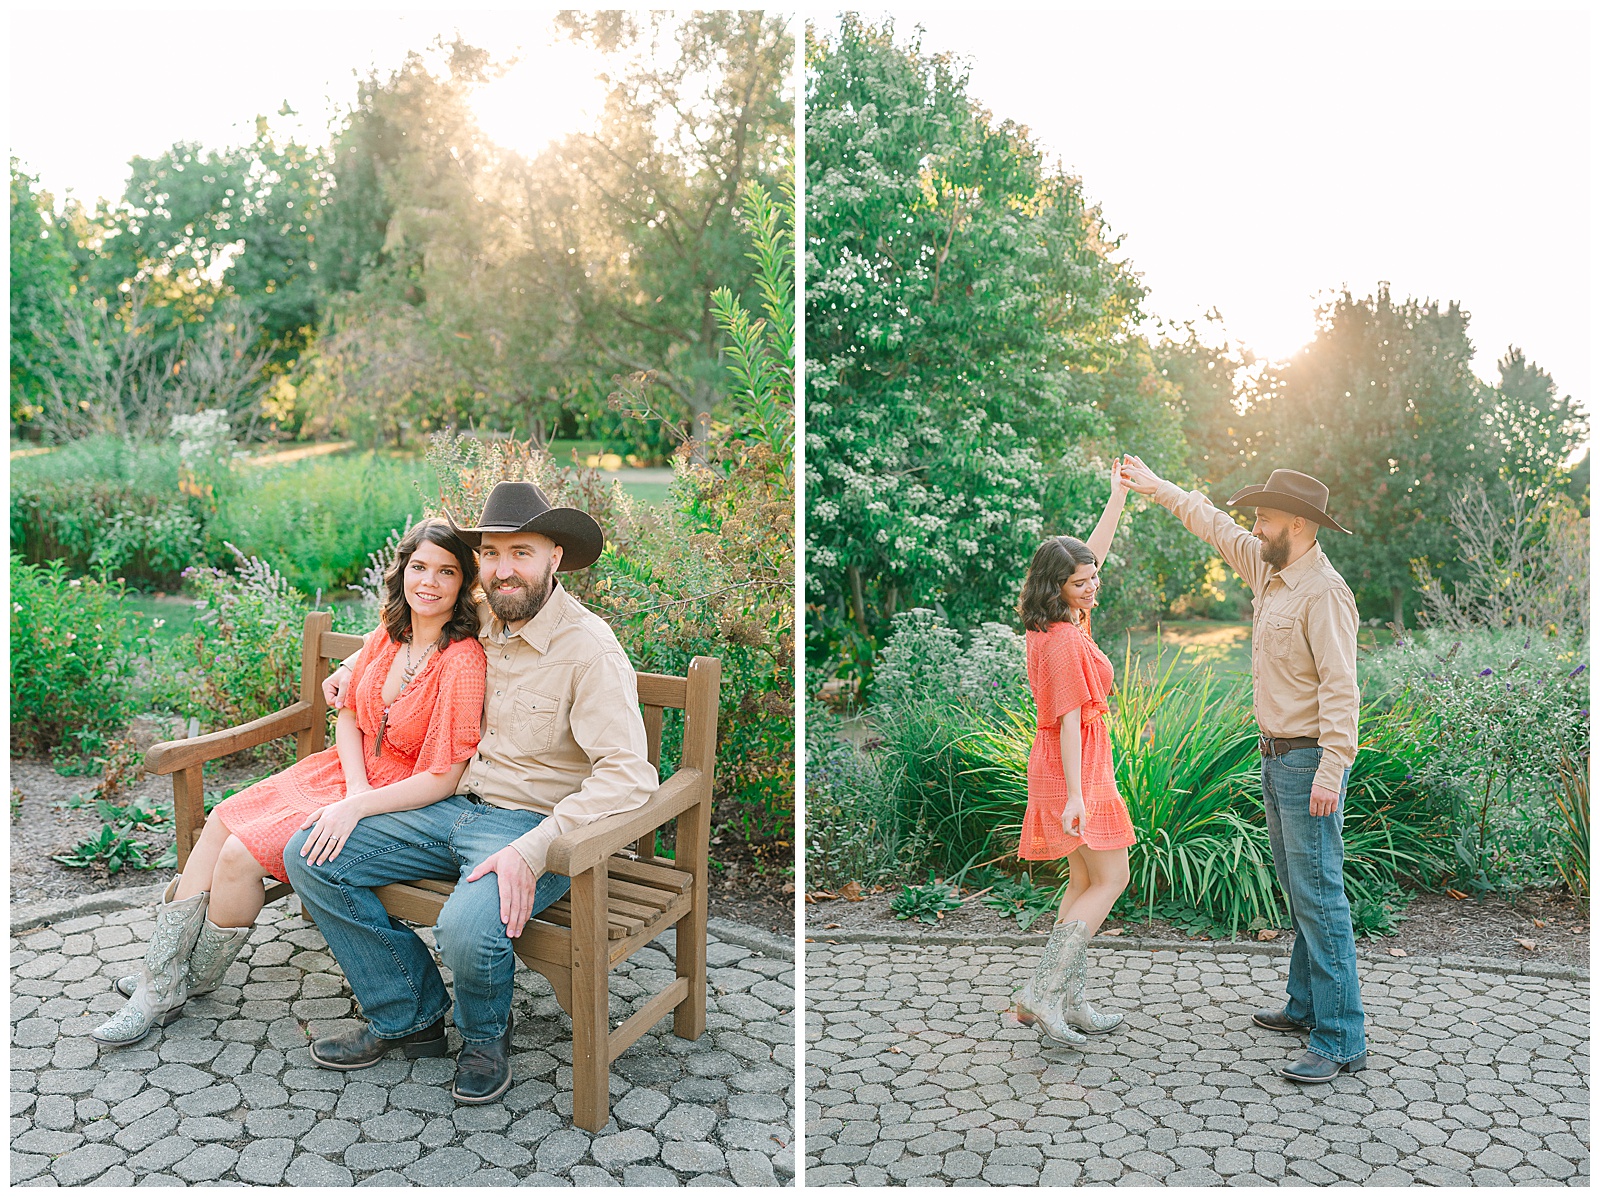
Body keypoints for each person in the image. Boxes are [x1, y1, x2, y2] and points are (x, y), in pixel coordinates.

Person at [285, 480, 658, 1105]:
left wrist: (533, 852)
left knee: (464, 925)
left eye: (521, 553)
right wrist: (349, 669)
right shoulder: (485, 614)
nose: (502, 570)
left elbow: (628, 774)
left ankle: (485, 1037)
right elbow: (402, 631)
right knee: (310, 855)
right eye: (491, 554)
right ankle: (410, 1014)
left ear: (555, 557)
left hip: (530, 828)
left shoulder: (590, 650)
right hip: (449, 807)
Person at [92, 519, 487, 1047]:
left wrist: (362, 801)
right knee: (223, 820)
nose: (429, 582)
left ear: (464, 583)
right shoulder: (390, 634)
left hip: (399, 798)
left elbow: (442, 777)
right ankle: (162, 980)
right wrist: (354, 783)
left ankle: (174, 984)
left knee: (239, 856)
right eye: (419, 567)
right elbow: (349, 714)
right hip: (344, 773)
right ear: (403, 571)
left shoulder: (461, 661)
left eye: (447, 571)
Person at [1120, 455, 1365, 1083]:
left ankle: (1341, 1037)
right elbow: (1211, 523)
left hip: (1309, 760)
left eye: (1265, 518)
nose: (1254, 527)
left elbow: (1341, 689)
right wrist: (1158, 487)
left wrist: (1331, 770)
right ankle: (1304, 1005)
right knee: (1300, 889)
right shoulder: (1268, 567)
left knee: (1320, 895)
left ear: (1300, 525)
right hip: (1275, 756)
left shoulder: (1325, 593)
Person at [1012, 457, 1134, 1048]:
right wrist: (1078, 798)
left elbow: (1093, 555)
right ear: (1055, 586)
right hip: (1073, 767)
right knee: (1114, 877)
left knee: (1083, 880)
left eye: (1092, 579)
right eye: (1081, 582)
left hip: (1073, 764)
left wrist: (1117, 497)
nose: (1092, 587)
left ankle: (1068, 999)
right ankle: (1043, 992)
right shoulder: (1063, 639)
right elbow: (1065, 721)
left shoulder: (1060, 622)